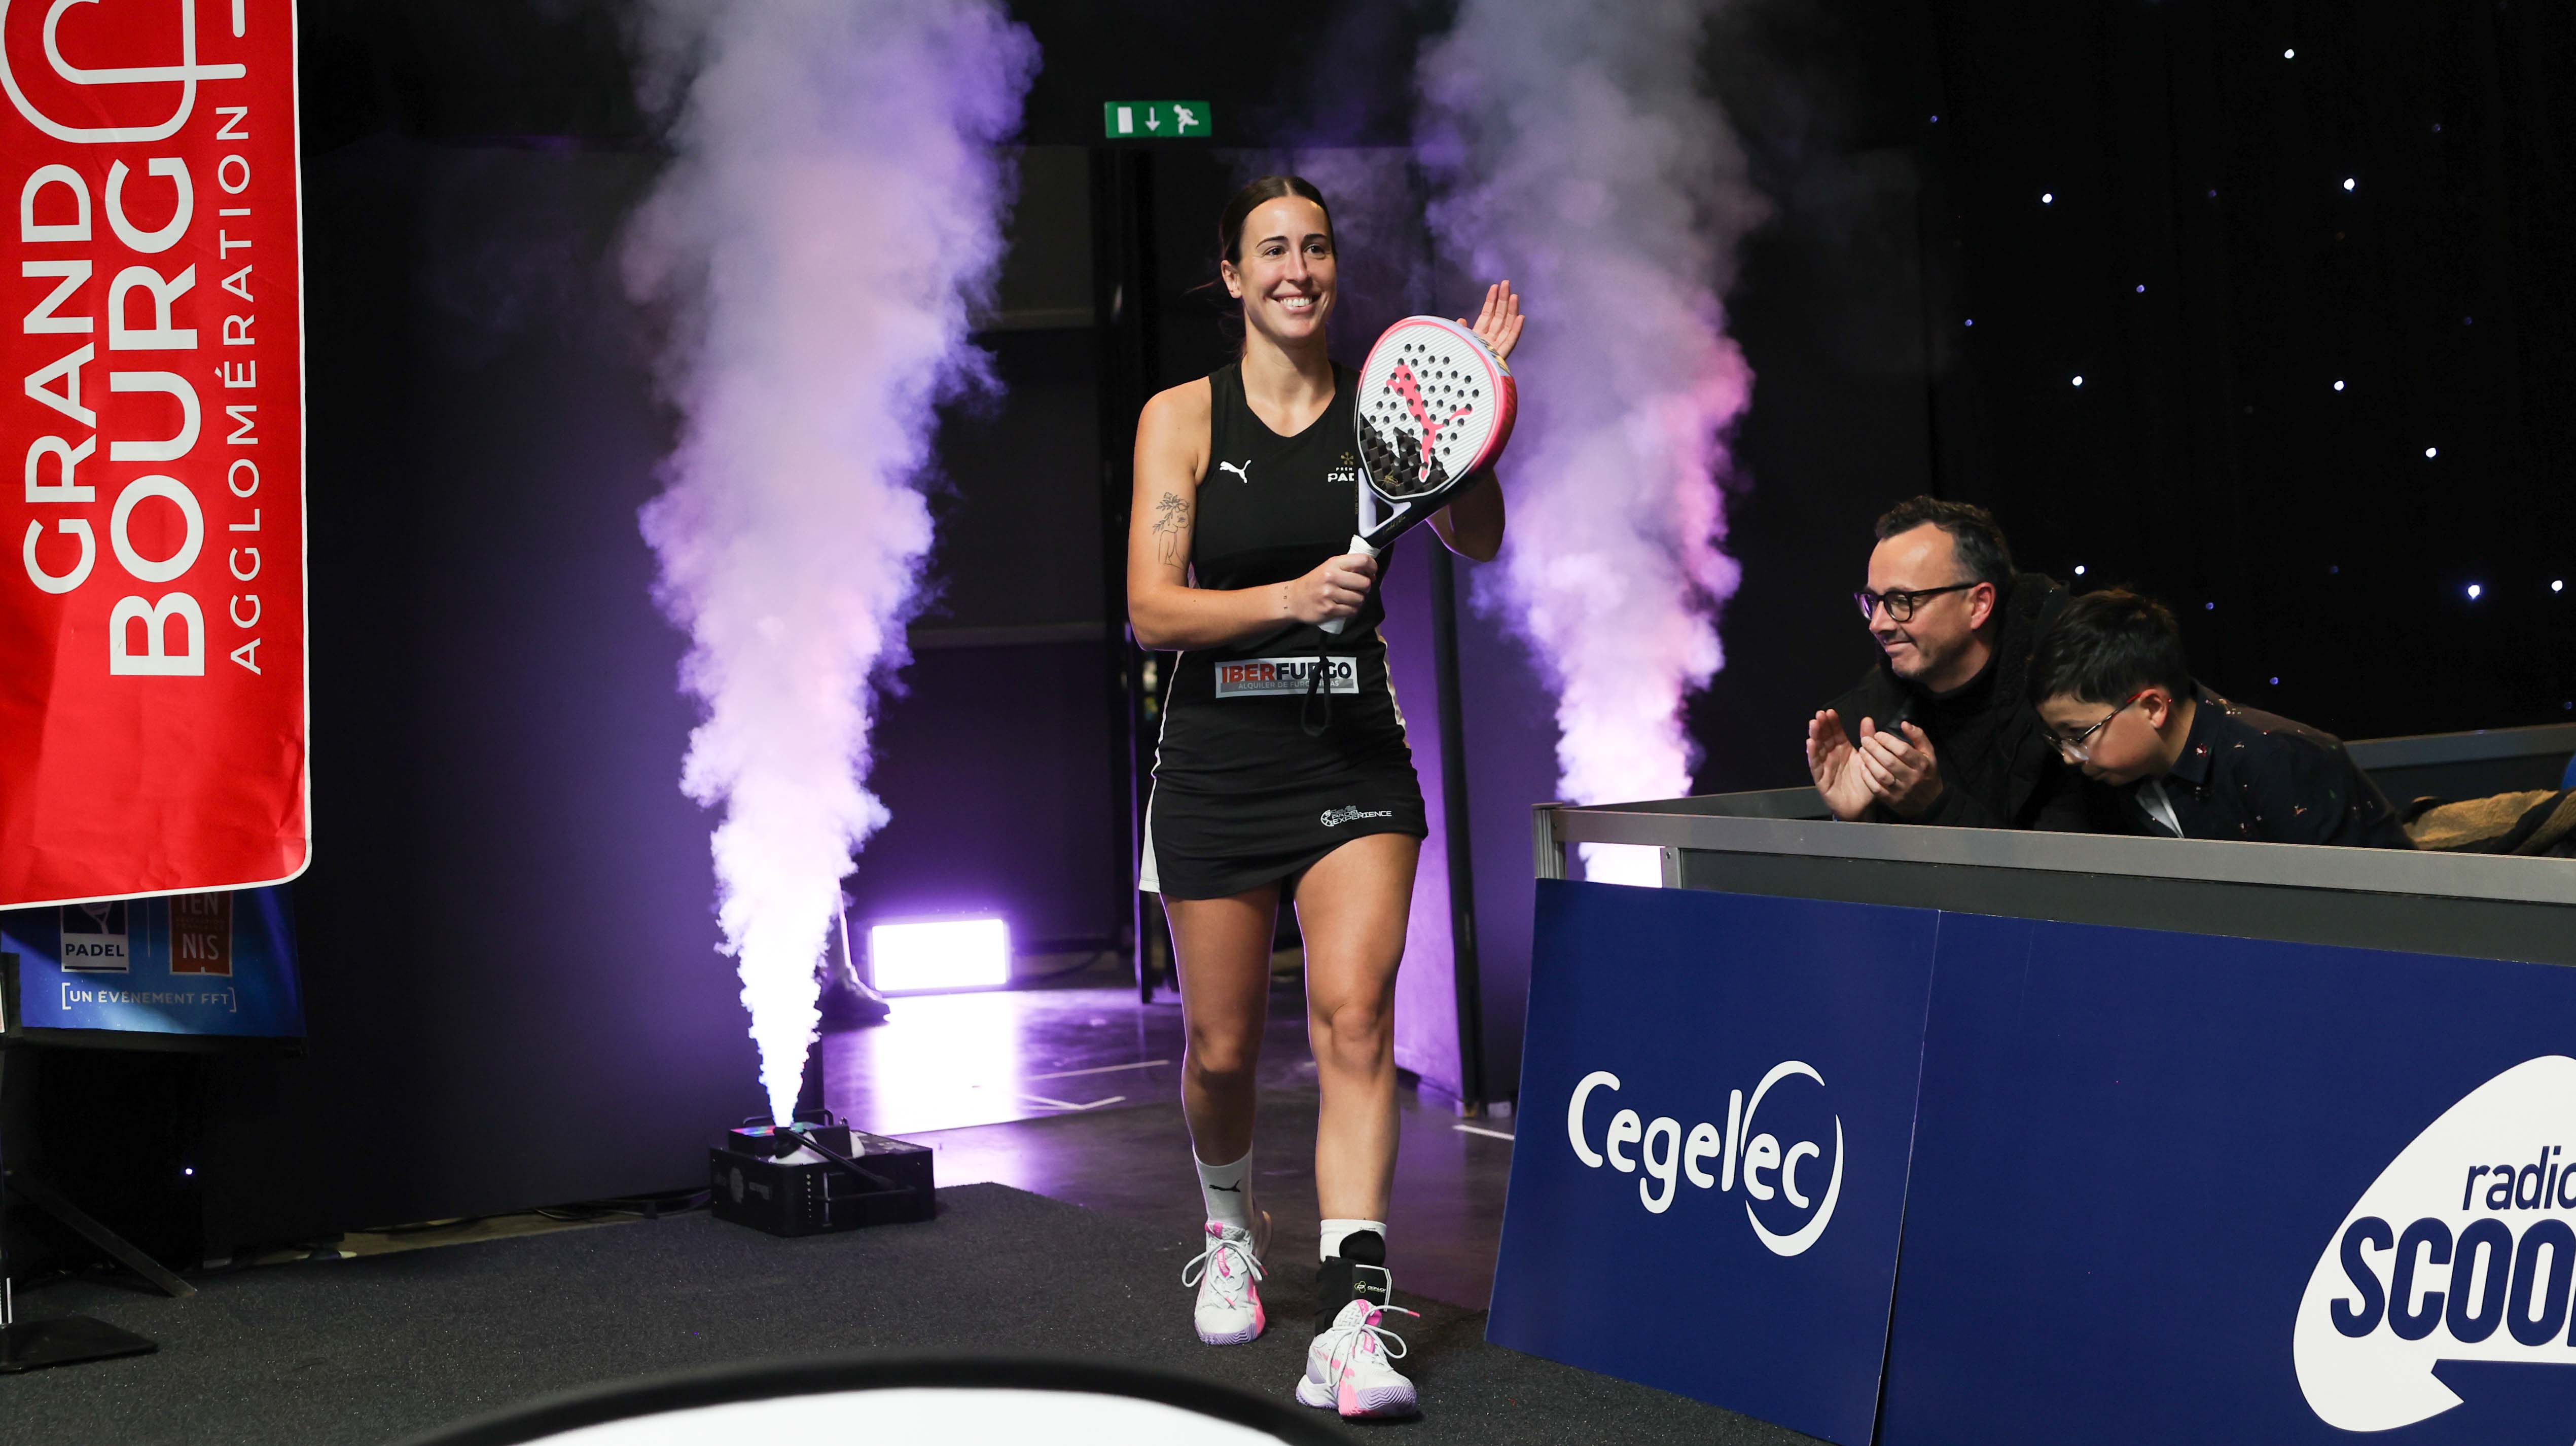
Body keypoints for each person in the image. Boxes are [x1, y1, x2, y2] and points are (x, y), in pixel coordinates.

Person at [1125, 174, 1519, 1421]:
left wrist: (1470, 412)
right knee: (1220, 1050)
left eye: (1316, 248)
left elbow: (1475, 536)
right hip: (1213, 764)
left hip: (1351, 759)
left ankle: (1352, 1321)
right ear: (1231, 276)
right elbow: (1151, 610)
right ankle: (1228, 1226)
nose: (1297, 269)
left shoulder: (1380, 411)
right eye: (1271, 251)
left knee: (1354, 1020)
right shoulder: (1180, 417)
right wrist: (1290, 598)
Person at [2029, 588, 2411, 848]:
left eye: (2079, 733)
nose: (2069, 755)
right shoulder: (2115, 779)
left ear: (2153, 708)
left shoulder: (2279, 759)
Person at [1805, 496, 2087, 829]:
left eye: (1902, 600)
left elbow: (2066, 859)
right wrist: (1855, 822)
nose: (1877, 624)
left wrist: (1936, 808)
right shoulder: (1865, 719)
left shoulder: (2071, 706)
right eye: (1873, 601)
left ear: (1978, 604)